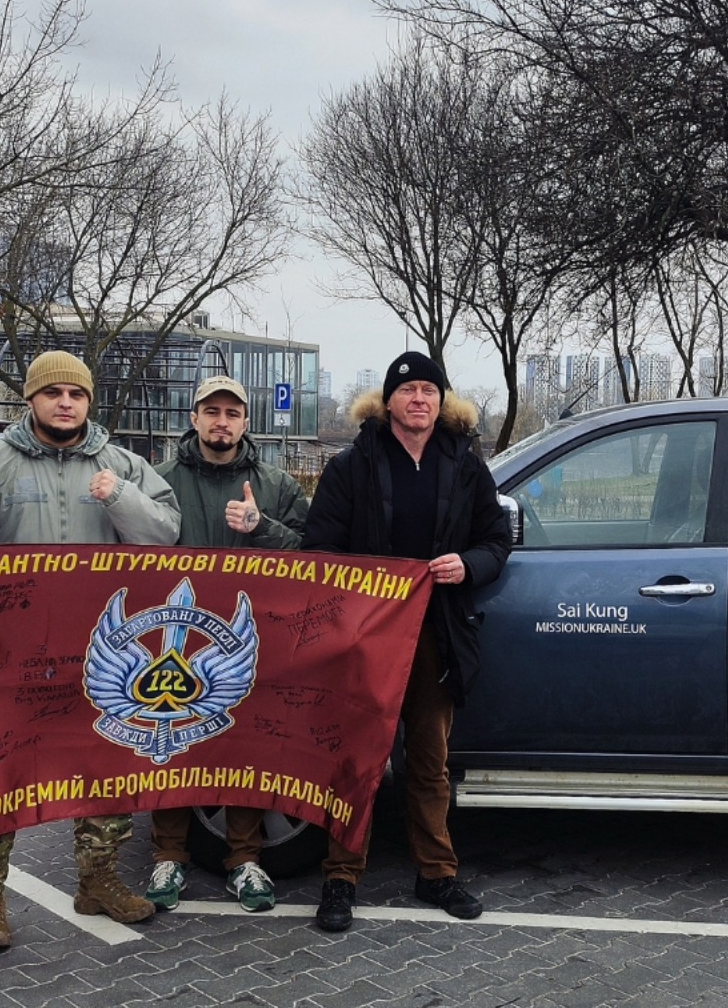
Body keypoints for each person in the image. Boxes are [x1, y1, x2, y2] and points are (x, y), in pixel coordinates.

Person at [0, 351, 182, 950]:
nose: (65, 403)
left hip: (99, 652)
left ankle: (98, 880)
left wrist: (119, 498)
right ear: (30, 399)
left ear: (88, 402)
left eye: (75, 394)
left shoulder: (123, 464)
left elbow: (164, 533)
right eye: (52, 393)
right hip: (9, 650)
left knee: (103, 766)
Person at [301, 352, 511, 932]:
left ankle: (436, 872)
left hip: (437, 633)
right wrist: (364, 584)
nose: (419, 399)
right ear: (387, 401)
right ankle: (341, 878)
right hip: (366, 638)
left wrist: (467, 565)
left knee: (429, 762)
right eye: (408, 389)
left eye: (429, 389)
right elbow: (319, 548)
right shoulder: (352, 465)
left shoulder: (466, 464)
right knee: (356, 761)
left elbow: (496, 539)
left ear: (441, 401)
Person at [149, 374, 309, 912]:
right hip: (175, 634)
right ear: (194, 418)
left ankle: (244, 860)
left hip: (247, 637)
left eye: (232, 413)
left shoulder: (277, 484)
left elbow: (311, 554)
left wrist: (262, 527)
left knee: (245, 747)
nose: (222, 421)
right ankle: (168, 855)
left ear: (246, 422)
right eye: (211, 411)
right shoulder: (161, 479)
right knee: (170, 739)